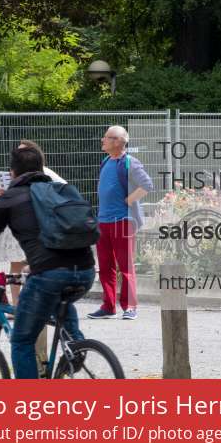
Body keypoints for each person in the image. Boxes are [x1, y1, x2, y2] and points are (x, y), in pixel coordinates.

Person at [0, 142, 95, 379]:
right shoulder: (60, 190)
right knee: (59, 300)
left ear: (12, 172)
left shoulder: (11, 197)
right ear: (41, 167)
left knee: (22, 341)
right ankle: (75, 346)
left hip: (49, 274)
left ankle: (28, 399)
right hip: (85, 270)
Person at [0, 139, 67, 307]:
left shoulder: (44, 172)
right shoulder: (15, 173)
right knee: (16, 265)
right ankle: (17, 305)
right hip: (15, 223)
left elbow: (62, 188)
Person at [89, 125, 152, 321]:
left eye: (106, 137)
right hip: (103, 221)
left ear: (117, 141)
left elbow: (147, 185)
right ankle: (108, 307)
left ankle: (130, 307)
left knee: (126, 266)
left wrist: (128, 200)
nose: (102, 140)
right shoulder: (106, 161)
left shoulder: (130, 163)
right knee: (105, 266)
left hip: (123, 221)